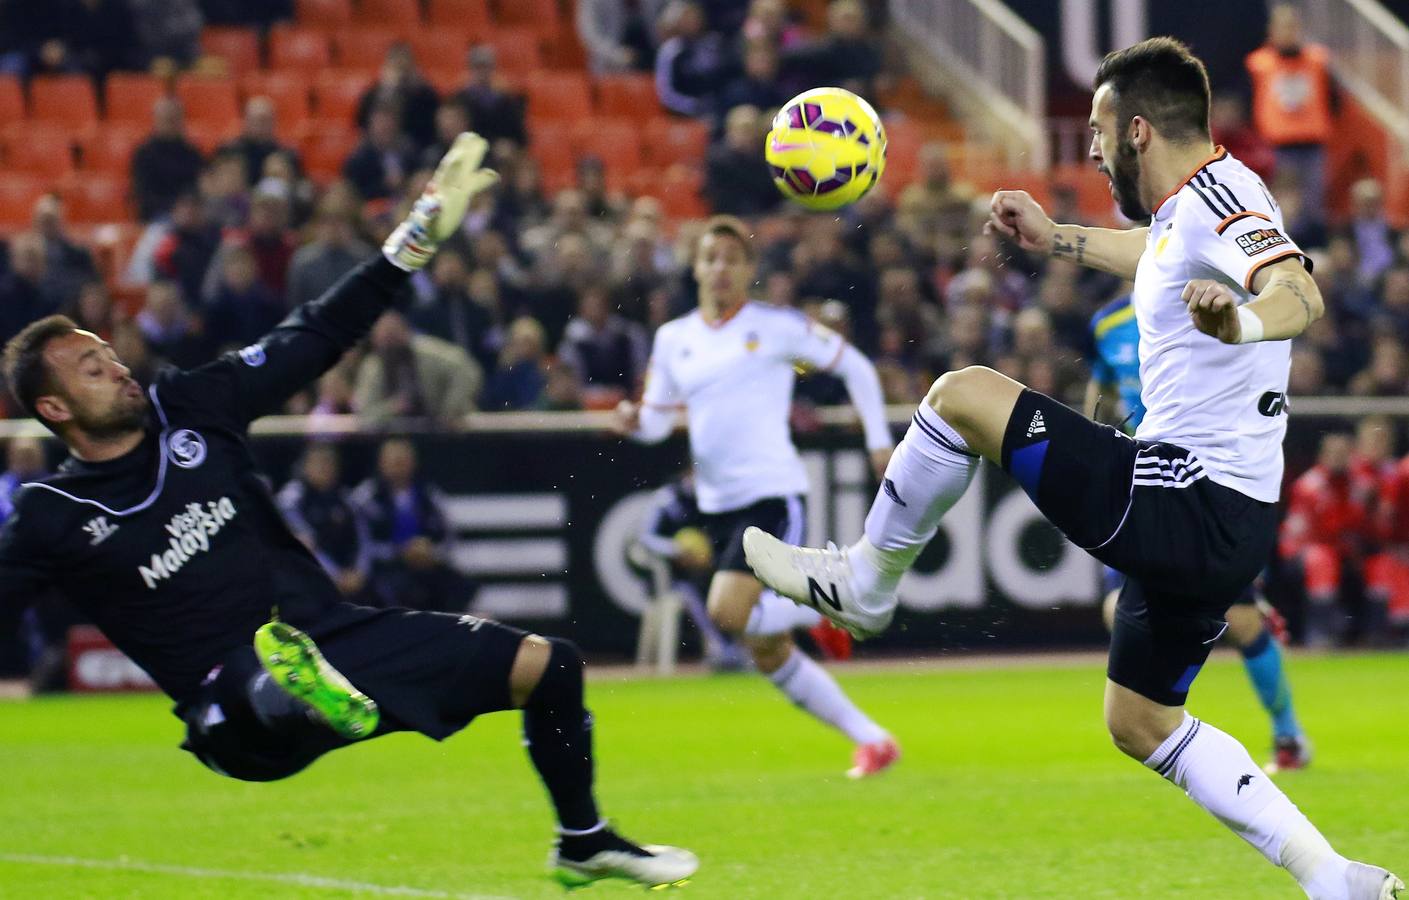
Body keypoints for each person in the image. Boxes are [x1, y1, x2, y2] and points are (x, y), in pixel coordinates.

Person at [744, 38, 1401, 898]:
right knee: (1141, 720)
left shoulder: (1222, 195)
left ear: (1135, 130)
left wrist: (1240, 324)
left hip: (1187, 493)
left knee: (961, 395)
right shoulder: (1187, 213)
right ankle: (1332, 877)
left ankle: (867, 580)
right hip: (1229, 520)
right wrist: (1056, 239)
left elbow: (1296, 290)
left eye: (1095, 130)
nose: (1088, 149)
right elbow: (1158, 259)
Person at [0, 133, 696, 889]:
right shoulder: (50, 512)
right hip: (229, 713)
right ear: (53, 406)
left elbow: (315, 334)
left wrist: (414, 237)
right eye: (91, 368)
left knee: (550, 666)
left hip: (335, 641)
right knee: (262, 681)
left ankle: (582, 840)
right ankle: (292, 689)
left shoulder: (191, 408)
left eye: (110, 354)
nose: (117, 368)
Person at [613, 215, 900, 779]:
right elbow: (655, 423)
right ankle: (872, 737)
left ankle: (817, 603)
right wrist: (631, 421)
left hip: (771, 495)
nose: (720, 268)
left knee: (727, 612)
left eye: (731, 258)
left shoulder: (778, 327)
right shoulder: (675, 340)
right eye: (709, 257)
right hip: (713, 505)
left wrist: (877, 441)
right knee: (765, 649)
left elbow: (859, 369)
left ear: (748, 271)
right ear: (695, 268)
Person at [1086, 292, 1311, 772]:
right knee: (1115, 611)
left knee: (1243, 622)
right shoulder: (1106, 323)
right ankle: (1159, 720)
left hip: (1203, 479)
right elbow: (1100, 386)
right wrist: (1094, 441)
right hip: (1138, 476)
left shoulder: (1213, 302)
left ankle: (1288, 733)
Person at [1245, 4, 1334, 231]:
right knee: (1282, 206)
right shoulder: (1258, 64)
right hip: (1277, 148)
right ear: (1272, 30)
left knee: (1315, 204)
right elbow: (1248, 102)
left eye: (1292, 26)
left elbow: (1334, 100)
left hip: (1313, 145)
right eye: (1283, 27)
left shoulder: (1317, 60)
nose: (1288, 32)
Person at [276, 442, 372, 602]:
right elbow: (307, 543)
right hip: (314, 579)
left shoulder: (348, 499)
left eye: (329, 462)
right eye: (318, 462)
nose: (324, 468)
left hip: (352, 578)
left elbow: (364, 538)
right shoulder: (291, 499)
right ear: (305, 466)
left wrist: (360, 572)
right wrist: (335, 575)